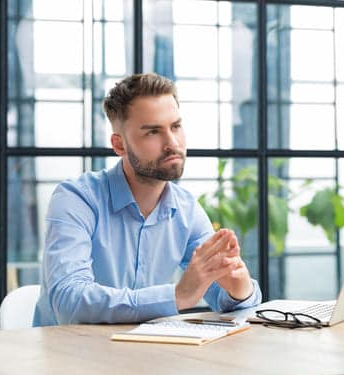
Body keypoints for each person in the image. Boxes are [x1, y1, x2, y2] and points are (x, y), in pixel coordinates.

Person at [33, 73, 261, 326]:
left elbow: (225, 299)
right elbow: (68, 302)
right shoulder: (77, 199)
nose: (172, 143)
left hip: (146, 357)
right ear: (119, 145)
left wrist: (239, 288)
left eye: (175, 126)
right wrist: (177, 295)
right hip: (70, 358)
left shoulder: (186, 209)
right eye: (153, 132)